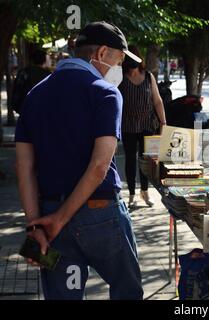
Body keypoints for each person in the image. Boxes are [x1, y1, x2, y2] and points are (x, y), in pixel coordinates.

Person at [15, 21, 144, 300]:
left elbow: (24, 166)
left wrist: (35, 225)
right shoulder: (105, 92)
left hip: (49, 215)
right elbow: (100, 166)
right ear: (101, 53)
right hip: (100, 212)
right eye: (119, 60)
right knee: (127, 291)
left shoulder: (34, 96)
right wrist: (60, 219)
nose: (119, 68)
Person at [119, 45, 166, 209]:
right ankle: (132, 194)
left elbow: (157, 100)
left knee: (146, 160)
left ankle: (145, 192)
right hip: (128, 125)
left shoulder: (148, 77)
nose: (131, 68)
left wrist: (163, 123)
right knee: (130, 159)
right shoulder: (120, 77)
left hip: (147, 124)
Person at [11, 49, 51, 115]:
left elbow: (16, 95)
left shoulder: (23, 72)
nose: (50, 61)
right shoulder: (49, 76)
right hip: (43, 114)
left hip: (25, 112)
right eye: (49, 59)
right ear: (45, 60)